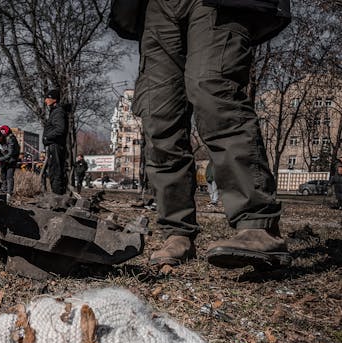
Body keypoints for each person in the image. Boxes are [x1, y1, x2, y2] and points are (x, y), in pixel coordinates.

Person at [109, 0, 292, 269]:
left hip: (217, 3)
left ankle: (257, 224)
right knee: (159, 114)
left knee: (213, 92)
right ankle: (177, 231)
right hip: (155, 6)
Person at [41, 88, 68, 195]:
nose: (45, 100)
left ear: (54, 99)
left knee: (55, 171)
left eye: (48, 98)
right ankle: (57, 194)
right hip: (53, 146)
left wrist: (47, 137)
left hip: (56, 146)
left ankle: (57, 197)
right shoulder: (55, 111)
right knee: (53, 171)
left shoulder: (58, 112)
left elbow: (60, 129)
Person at [0, 125, 20, 197]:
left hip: (12, 158)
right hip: (4, 157)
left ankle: (9, 193)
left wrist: (0, 159)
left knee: (9, 176)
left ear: (1, 136)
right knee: (3, 174)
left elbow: (10, 153)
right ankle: (4, 189)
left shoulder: (10, 139)